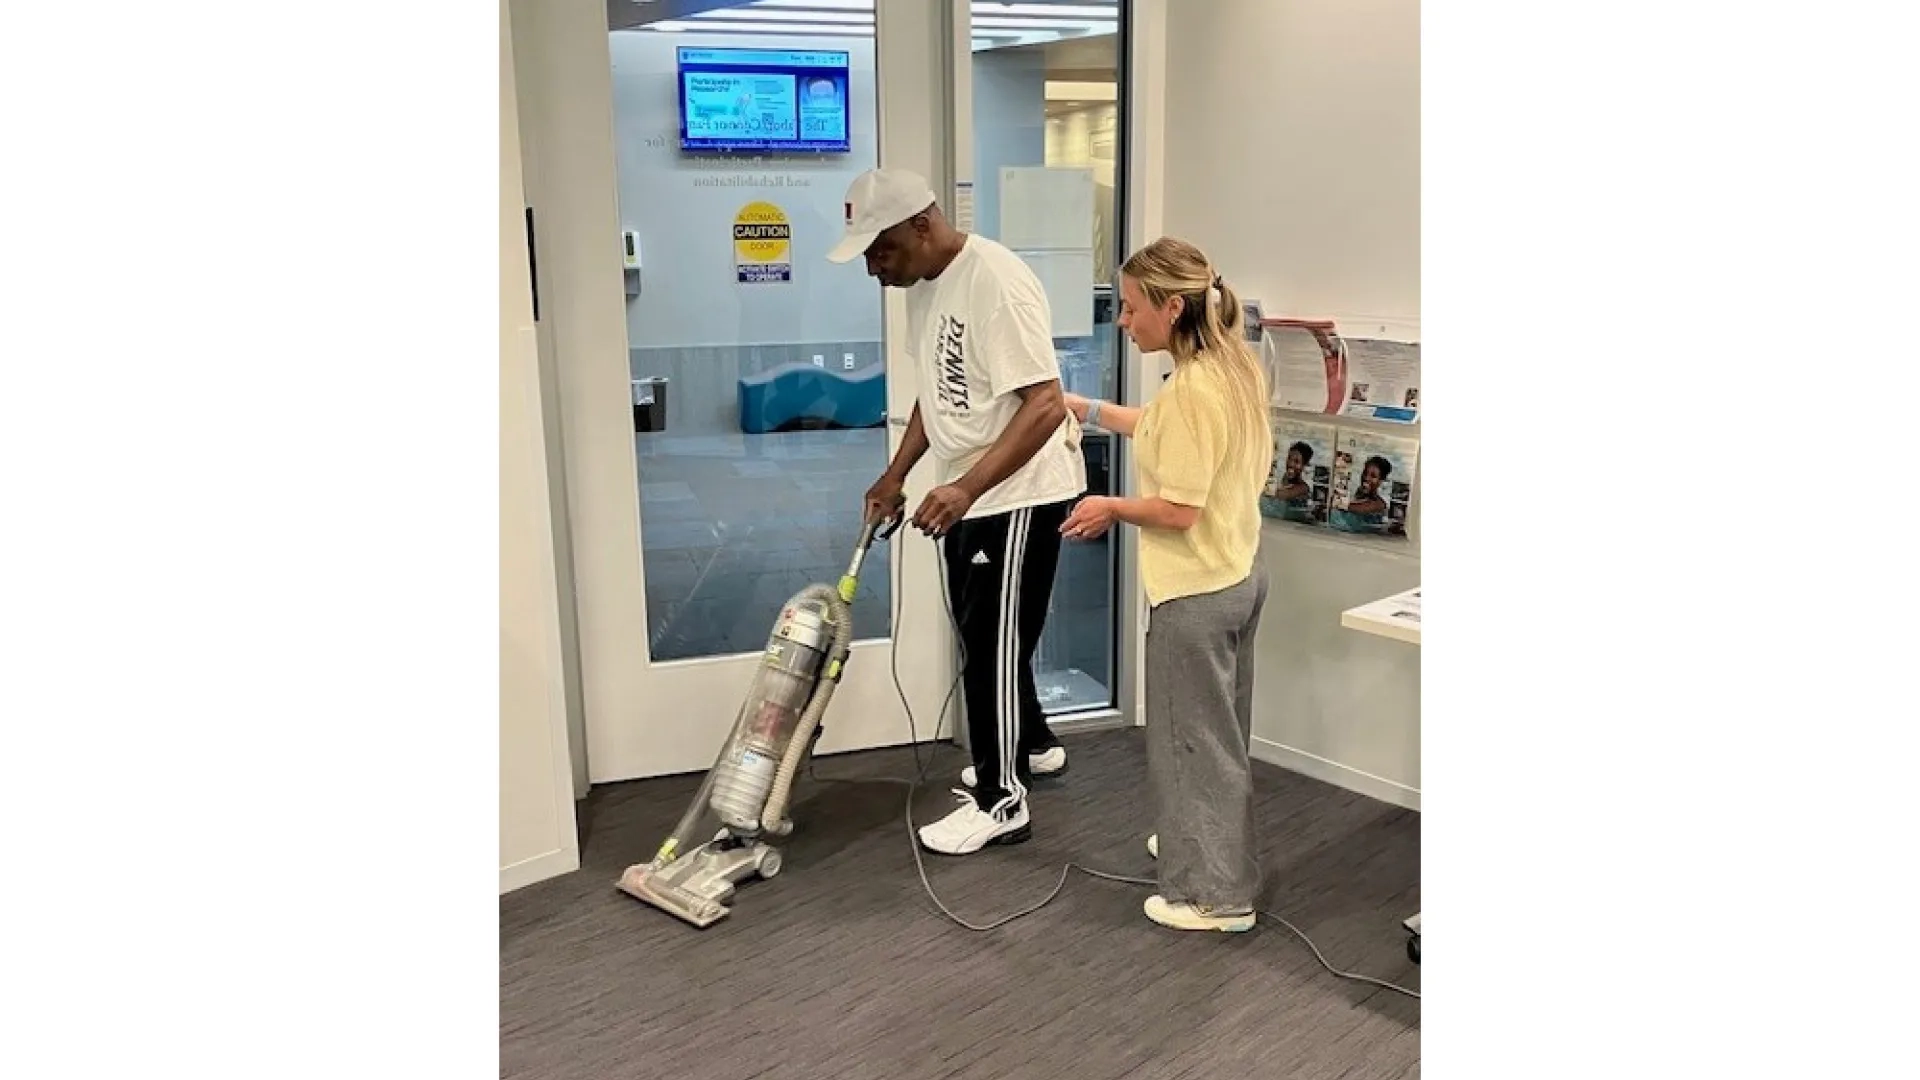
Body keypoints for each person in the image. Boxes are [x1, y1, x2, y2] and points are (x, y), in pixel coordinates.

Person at [828, 168, 1087, 856]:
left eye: (881, 251)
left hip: (1016, 491)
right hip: (969, 486)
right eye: (865, 258)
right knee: (992, 633)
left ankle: (1002, 800)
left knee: (990, 639)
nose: (874, 270)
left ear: (923, 225)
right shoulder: (928, 285)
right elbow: (936, 396)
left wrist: (967, 488)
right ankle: (1031, 745)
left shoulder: (994, 281)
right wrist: (896, 474)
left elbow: (1045, 403)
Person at [1058, 237, 1271, 931]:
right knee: (1220, 737)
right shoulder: (1232, 366)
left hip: (1195, 596)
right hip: (1239, 575)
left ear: (1171, 306)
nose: (1121, 320)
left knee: (1191, 742)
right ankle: (1196, 841)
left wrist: (1108, 507)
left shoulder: (1193, 390)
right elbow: (1164, 434)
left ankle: (1217, 897)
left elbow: (1179, 510)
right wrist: (1086, 409)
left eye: (1128, 307)